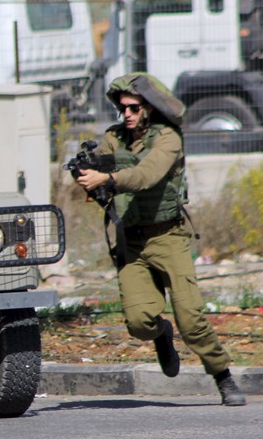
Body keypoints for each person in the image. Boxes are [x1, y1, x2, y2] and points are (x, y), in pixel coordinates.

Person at [74, 72, 246, 406]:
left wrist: (107, 177)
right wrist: (87, 174)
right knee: (139, 323)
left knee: (192, 320)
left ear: (149, 108)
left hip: (168, 236)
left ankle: (222, 376)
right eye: (123, 108)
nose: (127, 114)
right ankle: (161, 334)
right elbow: (103, 167)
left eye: (134, 108)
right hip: (131, 242)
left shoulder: (168, 138)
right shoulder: (114, 138)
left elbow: (146, 175)